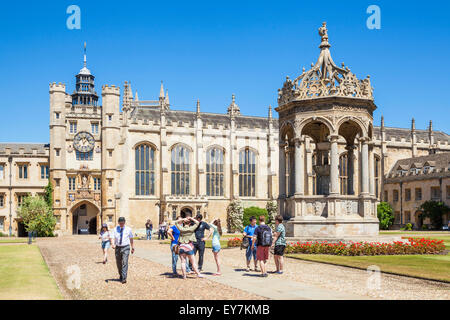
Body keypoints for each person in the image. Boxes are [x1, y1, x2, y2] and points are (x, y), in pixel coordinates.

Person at [111, 217, 135, 284]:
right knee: (119, 263)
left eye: (122, 223)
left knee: (125, 262)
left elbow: (131, 238)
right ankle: (121, 275)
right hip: (118, 247)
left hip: (126, 247)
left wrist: (132, 247)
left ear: (124, 222)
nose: (121, 224)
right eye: (120, 223)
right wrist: (112, 244)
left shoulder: (128, 229)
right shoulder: (115, 229)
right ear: (118, 223)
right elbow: (112, 237)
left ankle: (124, 278)